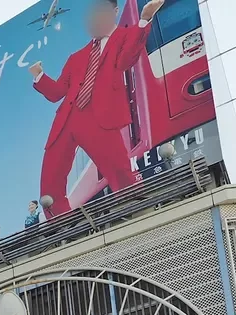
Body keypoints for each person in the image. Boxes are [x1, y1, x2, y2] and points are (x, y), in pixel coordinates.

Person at [28, 0, 166, 219]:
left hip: (99, 115)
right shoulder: (76, 57)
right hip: (67, 119)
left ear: (115, 11)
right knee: (50, 182)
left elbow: (127, 58)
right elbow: (57, 93)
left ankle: (138, 209)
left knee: (119, 170)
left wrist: (145, 19)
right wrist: (39, 76)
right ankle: (61, 224)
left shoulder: (124, 36)